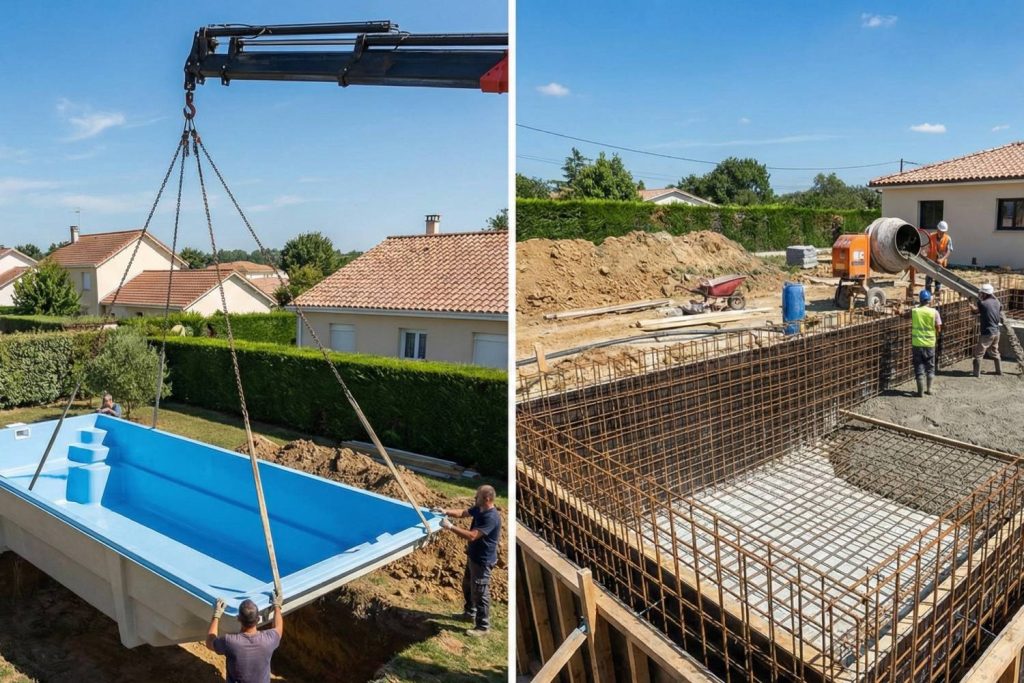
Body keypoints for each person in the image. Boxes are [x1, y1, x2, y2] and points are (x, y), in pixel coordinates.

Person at [434, 485, 501, 637]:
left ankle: (483, 627)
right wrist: (445, 511)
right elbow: (463, 513)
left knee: (480, 592)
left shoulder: (491, 517)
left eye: (477, 496)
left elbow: (472, 536)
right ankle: (470, 613)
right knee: (468, 585)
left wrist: (450, 527)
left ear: (487, 499)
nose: (474, 498)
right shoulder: (480, 508)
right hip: (474, 556)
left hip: (483, 560)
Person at [205, 590, 284, 683]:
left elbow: (210, 642)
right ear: (258, 619)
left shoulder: (230, 642)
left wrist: (216, 615)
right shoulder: (269, 639)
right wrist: (277, 606)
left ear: (238, 618)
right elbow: (278, 628)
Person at [910, 289, 942, 397]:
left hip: (917, 344)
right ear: (929, 300)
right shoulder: (934, 312)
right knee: (930, 367)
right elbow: (938, 327)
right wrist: (935, 334)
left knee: (919, 367)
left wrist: (897, 310)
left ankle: (920, 392)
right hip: (929, 344)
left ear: (920, 300)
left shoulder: (915, 311)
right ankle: (929, 390)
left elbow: (903, 315)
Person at [972, 283, 1003, 377]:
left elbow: (975, 311)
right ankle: (999, 371)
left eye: (982, 293)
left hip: (987, 333)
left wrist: (971, 306)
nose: (981, 295)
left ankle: (976, 374)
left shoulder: (982, 303)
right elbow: (998, 308)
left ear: (985, 294)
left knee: (978, 354)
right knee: (994, 352)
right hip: (996, 332)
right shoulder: (997, 302)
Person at [925, 220, 953, 295]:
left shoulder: (948, 238)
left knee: (938, 281)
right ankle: (928, 295)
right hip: (931, 261)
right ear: (937, 229)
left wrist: (942, 259)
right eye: (940, 231)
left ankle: (937, 295)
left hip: (940, 263)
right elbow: (928, 246)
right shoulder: (931, 236)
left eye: (943, 232)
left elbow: (949, 250)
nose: (941, 233)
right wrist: (925, 252)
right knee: (928, 280)